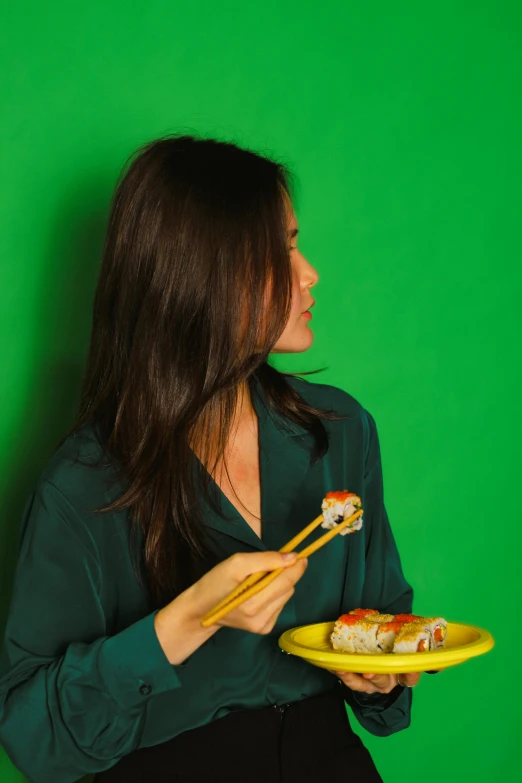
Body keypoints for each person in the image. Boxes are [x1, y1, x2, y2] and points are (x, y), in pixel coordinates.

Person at [0, 134, 420, 783]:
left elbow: (385, 644)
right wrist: (189, 617)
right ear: (205, 270)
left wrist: (380, 675)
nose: (309, 272)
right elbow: (36, 740)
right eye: (282, 248)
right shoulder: (84, 481)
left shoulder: (340, 432)